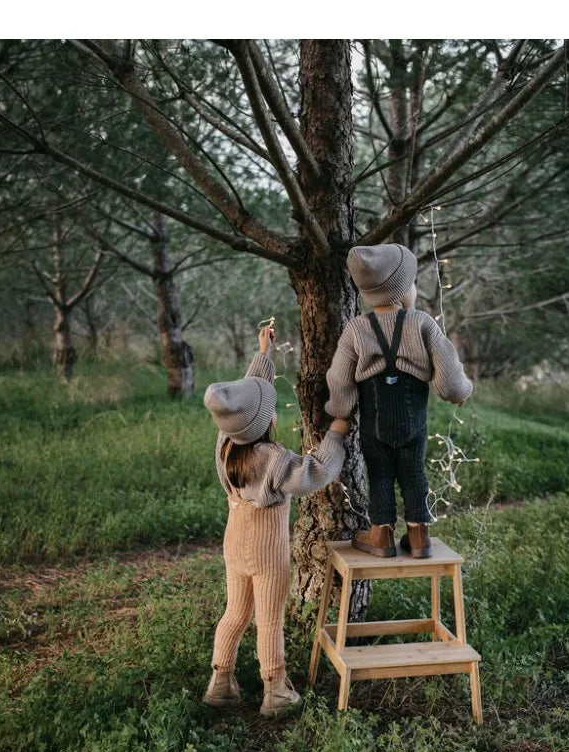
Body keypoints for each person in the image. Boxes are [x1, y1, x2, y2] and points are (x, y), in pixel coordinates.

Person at [202, 324, 350, 716]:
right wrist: (336, 433)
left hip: (234, 545)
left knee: (235, 613)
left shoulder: (225, 443)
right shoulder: (273, 458)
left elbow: (243, 398)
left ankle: (220, 682)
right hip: (268, 554)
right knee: (269, 621)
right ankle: (275, 689)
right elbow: (315, 471)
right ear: (265, 420)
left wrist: (263, 354)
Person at [326, 243, 473, 559]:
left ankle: (381, 534)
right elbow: (448, 379)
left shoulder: (355, 329)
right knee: (414, 472)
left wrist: (340, 412)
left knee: (379, 474)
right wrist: (460, 392)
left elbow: (339, 379)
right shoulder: (423, 323)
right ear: (404, 287)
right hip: (414, 422)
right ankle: (420, 535)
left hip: (374, 422)